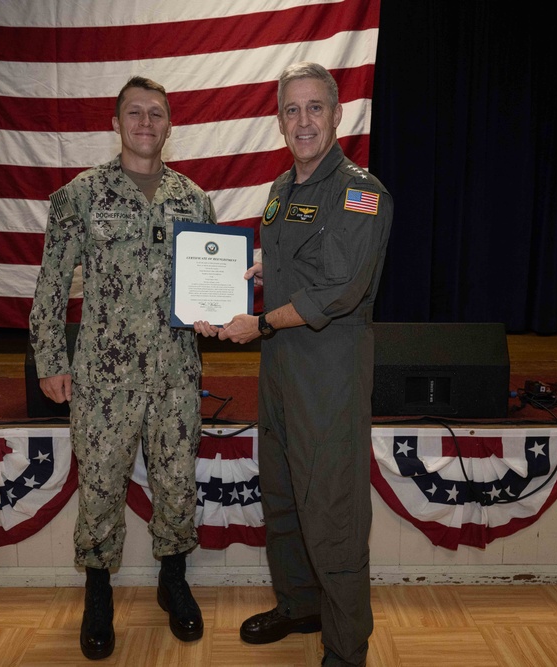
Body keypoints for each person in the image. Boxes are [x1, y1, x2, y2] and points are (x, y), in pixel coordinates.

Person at [195, 62, 393, 667]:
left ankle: (345, 646)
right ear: (279, 120)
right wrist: (254, 274)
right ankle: (300, 604)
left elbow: (337, 289)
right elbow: (296, 269)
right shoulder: (281, 192)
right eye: (291, 109)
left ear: (337, 115)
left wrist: (255, 323)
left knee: (331, 510)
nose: (303, 120)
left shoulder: (362, 193)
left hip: (328, 373)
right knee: (281, 496)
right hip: (280, 370)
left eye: (314, 107)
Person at [30, 76, 216, 661]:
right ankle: (99, 592)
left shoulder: (194, 198)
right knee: (102, 487)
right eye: (133, 113)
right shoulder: (80, 196)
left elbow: (206, 285)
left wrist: (221, 310)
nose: (144, 122)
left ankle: (173, 579)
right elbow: (51, 286)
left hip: (176, 375)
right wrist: (50, 359)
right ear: (116, 123)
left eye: (155, 113)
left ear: (169, 125)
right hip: (104, 379)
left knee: (177, 484)